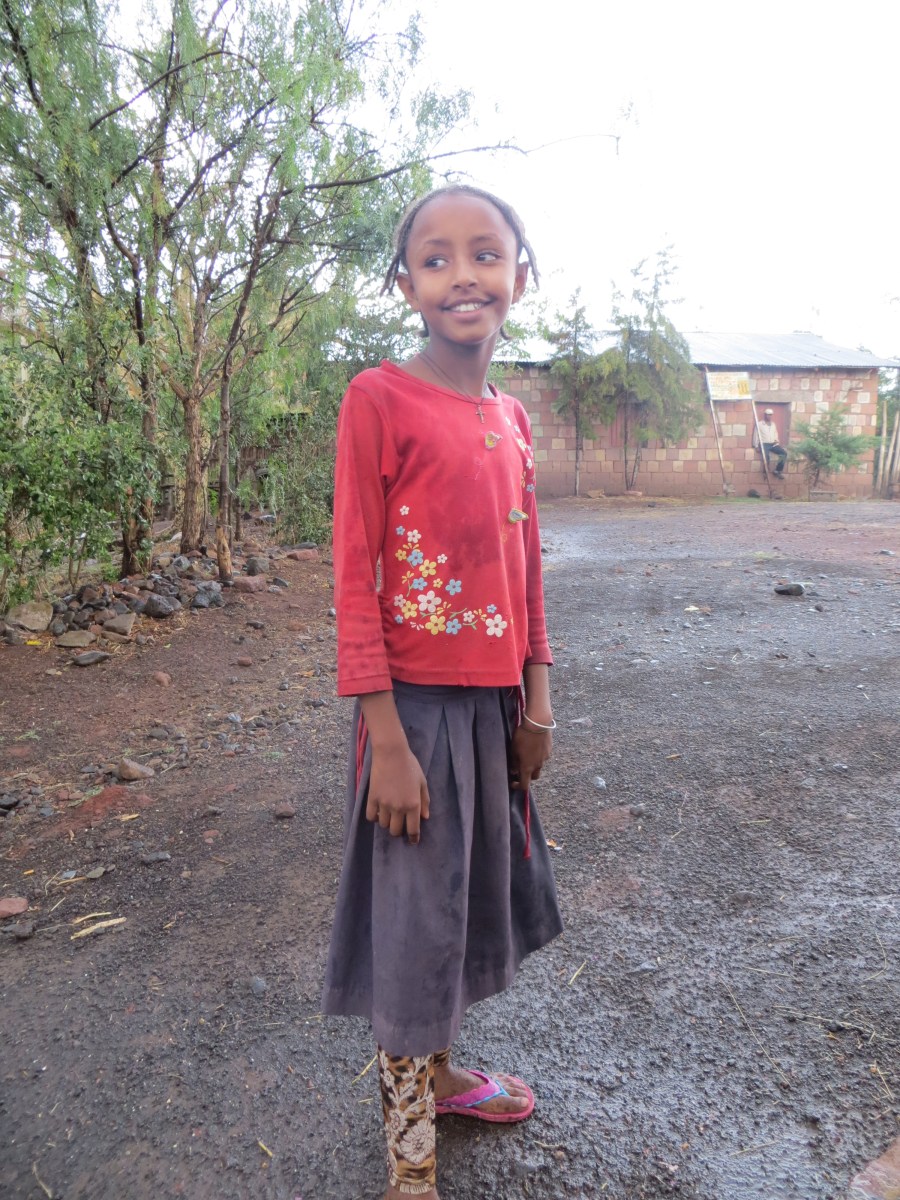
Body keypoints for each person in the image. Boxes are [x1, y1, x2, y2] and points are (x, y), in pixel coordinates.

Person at [321, 184, 563, 1200]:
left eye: (485, 253)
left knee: (464, 914)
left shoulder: (511, 417)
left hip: (493, 713)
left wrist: (536, 700)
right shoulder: (378, 400)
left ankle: (445, 1075)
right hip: (413, 716)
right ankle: (410, 1164)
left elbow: (527, 569)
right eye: (436, 259)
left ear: (520, 276)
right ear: (405, 284)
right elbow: (354, 572)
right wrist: (384, 737)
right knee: (415, 932)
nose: (463, 275)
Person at [753, 406, 788, 477]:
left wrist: (776, 441)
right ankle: (765, 472)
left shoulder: (773, 424)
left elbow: (775, 433)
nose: (769, 416)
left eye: (770, 415)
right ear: (765, 415)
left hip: (773, 444)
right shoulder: (759, 424)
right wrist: (756, 446)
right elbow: (756, 434)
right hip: (764, 444)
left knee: (783, 453)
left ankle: (777, 470)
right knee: (766, 457)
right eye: (768, 415)